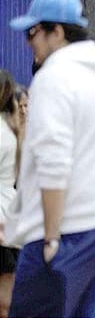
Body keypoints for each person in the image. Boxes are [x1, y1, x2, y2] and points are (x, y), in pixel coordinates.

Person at [7, 0, 95, 317]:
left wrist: (50, 238)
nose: (28, 41)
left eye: (33, 32)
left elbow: (53, 161)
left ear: (56, 32)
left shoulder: (54, 78)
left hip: (69, 229)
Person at [0, 70, 22, 318]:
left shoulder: (3, 132)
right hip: (9, 212)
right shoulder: (10, 126)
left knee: (5, 299)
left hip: (3, 216)